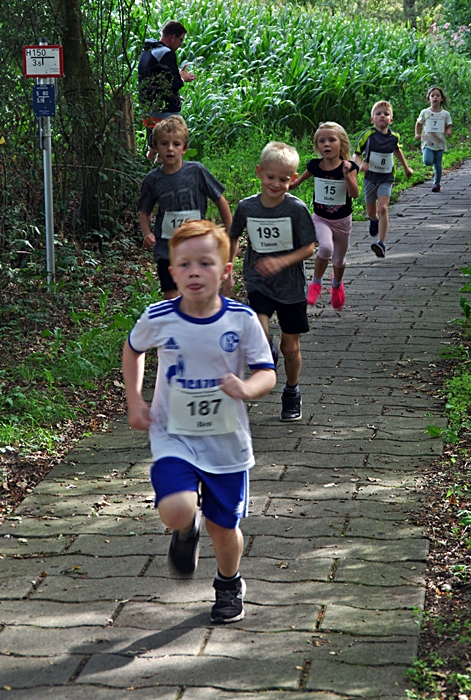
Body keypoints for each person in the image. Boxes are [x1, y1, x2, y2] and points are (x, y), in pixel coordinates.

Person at [122, 220, 276, 623]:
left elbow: (267, 372)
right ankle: (184, 527)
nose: (194, 272)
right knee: (176, 508)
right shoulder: (159, 316)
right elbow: (133, 348)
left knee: (223, 529)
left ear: (225, 271)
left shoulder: (241, 320)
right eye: (185, 264)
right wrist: (135, 399)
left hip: (226, 442)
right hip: (173, 433)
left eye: (206, 263)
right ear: (172, 271)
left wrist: (247, 388)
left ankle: (229, 583)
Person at [228, 142, 316, 422]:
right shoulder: (246, 207)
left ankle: (292, 391)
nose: (276, 184)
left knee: (290, 348)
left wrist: (281, 261)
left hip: (290, 286)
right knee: (260, 331)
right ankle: (266, 351)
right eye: (270, 177)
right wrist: (228, 270)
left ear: (293, 178)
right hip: (258, 280)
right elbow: (232, 236)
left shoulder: (296, 209)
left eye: (283, 179)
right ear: (259, 173)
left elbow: (309, 247)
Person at [137, 115, 232, 300]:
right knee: (172, 296)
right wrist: (146, 233)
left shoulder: (197, 171)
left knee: (197, 293)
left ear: (184, 148)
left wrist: (230, 230)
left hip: (198, 244)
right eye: (164, 144)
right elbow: (145, 211)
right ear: (155, 147)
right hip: (167, 248)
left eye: (176, 144)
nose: (170, 149)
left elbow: (220, 200)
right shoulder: (152, 179)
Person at [289, 122, 359, 310]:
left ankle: (337, 285)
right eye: (321, 141)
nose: (326, 144)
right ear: (317, 146)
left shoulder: (349, 167)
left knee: (339, 260)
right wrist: (283, 185)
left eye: (331, 140)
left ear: (341, 144)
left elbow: (354, 194)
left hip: (342, 222)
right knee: (325, 247)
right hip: (321, 218)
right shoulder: (314, 166)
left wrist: (346, 175)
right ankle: (316, 283)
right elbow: (296, 183)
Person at [354, 100, 413, 259]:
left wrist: (406, 168)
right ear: (372, 119)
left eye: (386, 114)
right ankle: (373, 220)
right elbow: (356, 154)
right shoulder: (368, 135)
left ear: (391, 120)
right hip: (370, 177)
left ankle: (381, 243)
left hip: (387, 177)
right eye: (378, 114)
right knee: (371, 211)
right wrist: (360, 165)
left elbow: (397, 151)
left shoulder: (394, 137)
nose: (382, 116)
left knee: (383, 208)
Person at [138, 21, 196, 159]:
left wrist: (177, 75)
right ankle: (164, 175)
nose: (181, 44)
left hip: (147, 107)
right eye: (181, 40)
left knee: (153, 146)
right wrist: (183, 79)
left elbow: (158, 78)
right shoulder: (166, 54)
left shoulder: (148, 50)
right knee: (170, 147)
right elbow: (174, 84)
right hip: (164, 112)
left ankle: (145, 171)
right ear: (172, 38)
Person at [414, 86, 453, 193]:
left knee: (438, 165)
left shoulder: (445, 114)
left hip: (440, 143)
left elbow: (448, 125)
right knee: (427, 161)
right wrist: (417, 133)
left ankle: (437, 183)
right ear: (429, 99)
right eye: (432, 96)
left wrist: (448, 131)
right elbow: (418, 123)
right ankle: (429, 161)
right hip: (427, 142)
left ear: (441, 99)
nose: (435, 97)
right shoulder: (425, 112)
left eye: (437, 95)